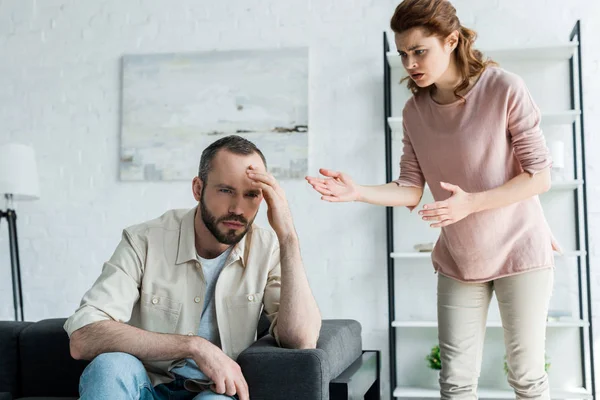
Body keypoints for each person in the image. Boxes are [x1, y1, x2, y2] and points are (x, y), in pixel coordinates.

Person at [306, 0, 556, 398]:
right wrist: (358, 193)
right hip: (460, 258)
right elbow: (409, 186)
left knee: (526, 376)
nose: (409, 63)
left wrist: (469, 203)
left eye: (419, 51)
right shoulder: (414, 111)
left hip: (519, 251)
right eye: (403, 53)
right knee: (454, 382)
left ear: (452, 41)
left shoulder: (504, 88)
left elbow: (539, 177)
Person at [65, 135, 322, 400]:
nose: (237, 208)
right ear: (198, 189)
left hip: (213, 391)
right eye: (225, 190)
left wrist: (288, 235)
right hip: (145, 386)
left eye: (251, 195)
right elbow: (84, 336)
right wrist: (193, 346)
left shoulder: (268, 248)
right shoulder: (144, 240)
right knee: (109, 368)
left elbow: (302, 340)